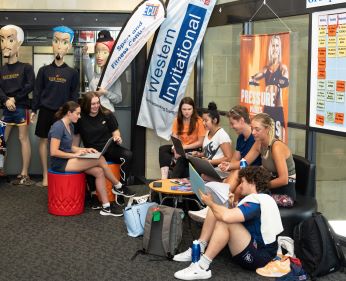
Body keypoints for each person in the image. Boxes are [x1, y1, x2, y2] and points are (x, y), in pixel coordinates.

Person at [174, 166, 283, 280]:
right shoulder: (259, 199)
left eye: (243, 182)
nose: (240, 186)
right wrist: (228, 205)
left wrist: (210, 203)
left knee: (224, 221)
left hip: (258, 257)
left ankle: (201, 267)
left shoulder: (256, 204)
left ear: (252, 183)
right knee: (217, 208)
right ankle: (200, 248)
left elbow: (226, 217)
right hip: (252, 245)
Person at [48, 101, 125, 216]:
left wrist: (83, 150)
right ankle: (118, 186)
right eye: (77, 114)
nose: (79, 116)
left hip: (69, 160)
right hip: (61, 163)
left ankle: (106, 207)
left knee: (99, 171)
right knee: (100, 158)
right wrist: (75, 155)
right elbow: (54, 152)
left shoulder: (70, 125)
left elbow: (69, 146)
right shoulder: (58, 127)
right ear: (69, 113)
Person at [188, 105, 261, 221]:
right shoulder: (241, 138)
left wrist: (230, 166)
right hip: (241, 171)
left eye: (232, 123)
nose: (231, 127)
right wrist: (227, 167)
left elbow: (244, 163)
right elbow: (235, 159)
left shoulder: (255, 138)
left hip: (250, 172)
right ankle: (213, 206)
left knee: (236, 172)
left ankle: (212, 207)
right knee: (210, 176)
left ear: (242, 120)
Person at [31, 26, 79, 187]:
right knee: (44, 142)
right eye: (56, 41)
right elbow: (37, 92)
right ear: (52, 43)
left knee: (63, 144)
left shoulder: (72, 73)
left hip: (63, 114)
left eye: (64, 42)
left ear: (69, 46)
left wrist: (73, 115)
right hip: (45, 111)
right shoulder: (44, 70)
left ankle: (59, 173)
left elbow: (74, 95)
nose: (59, 46)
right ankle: (46, 175)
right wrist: (33, 110)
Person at [73, 92, 133, 206]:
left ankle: (120, 188)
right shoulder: (80, 118)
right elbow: (76, 137)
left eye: (97, 103)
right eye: (92, 104)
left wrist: (118, 138)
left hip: (109, 148)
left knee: (128, 155)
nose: (96, 106)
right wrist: (76, 150)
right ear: (86, 105)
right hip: (93, 151)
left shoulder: (106, 113)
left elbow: (115, 131)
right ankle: (93, 194)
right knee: (92, 164)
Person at [0, 25, 35, 185]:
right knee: (1, 139)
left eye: (10, 39)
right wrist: (6, 100)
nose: (5, 44)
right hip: (6, 109)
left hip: (23, 108)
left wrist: (14, 98)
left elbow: (30, 85)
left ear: (18, 43)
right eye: (2, 40)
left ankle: (24, 173)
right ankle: (1, 170)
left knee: (23, 138)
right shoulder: (2, 69)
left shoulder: (26, 67)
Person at [249, 34, 289, 141]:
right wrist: (253, 79)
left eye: (277, 46)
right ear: (270, 48)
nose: (275, 48)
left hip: (277, 109)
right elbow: (254, 78)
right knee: (264, 140)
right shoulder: (266, 69)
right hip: (267, 109)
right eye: (273, 46)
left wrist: (277, 81)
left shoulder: (282, 68)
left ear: (279, 48)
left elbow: (285, 81)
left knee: (279, 140)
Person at [159, 97, 205, 179]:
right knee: (163, 149)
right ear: (180, 109)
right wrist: (176, 148)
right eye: (184, 109)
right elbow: (174, 137)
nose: (186, 112)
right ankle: (164, 178)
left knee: (182, 158)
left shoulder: (199, 121)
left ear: (193, 109)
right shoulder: (177, 120)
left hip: (192, 148)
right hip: (181, 147)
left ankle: (172, 180)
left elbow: (200, 142)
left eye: (189, 109)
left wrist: (185, 147)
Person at [82, 30, 121, 112]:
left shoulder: (114, 78)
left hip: (107, 113)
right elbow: (87, 67)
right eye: (97, 52)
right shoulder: (94, 77)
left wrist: (105, 92)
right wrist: (85, 54)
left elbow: (118, 99)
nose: (99, 56)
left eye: (104, 52)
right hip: (92, 114)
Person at [190, 102, 232, 167]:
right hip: (208, 165)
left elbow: (228, 158)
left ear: (215, 120)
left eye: (206, 121)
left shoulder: (222, 135)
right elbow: (208, 153)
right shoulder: (207, 132)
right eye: (203, 120)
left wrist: (210, 162)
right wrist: (199, 154)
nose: (203, 123)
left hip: (218, 167)